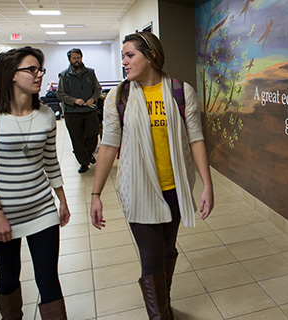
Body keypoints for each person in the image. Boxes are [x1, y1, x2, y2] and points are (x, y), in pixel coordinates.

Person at [90, 32, 214, 319]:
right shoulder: (118, 96)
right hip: (138, 190)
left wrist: (207, 185)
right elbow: (108, 145)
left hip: (175, 189)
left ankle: (163, 302)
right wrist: (95, 194)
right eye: (123, 56)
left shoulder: (180, 92)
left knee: (167, 250)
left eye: (129, 55)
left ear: (151, 56)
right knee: (152, 258)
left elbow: (195, 139)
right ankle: (161, 315)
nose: (124, 62)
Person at [0, 47, 70, 319]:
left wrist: (61, 199)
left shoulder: (46, 115)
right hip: (2, 218)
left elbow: (51, 161)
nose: (39, 75)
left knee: (48, 278)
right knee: (9, 276)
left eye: (40, 69)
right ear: (11, 76)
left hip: (42, 212)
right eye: (31, 70)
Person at [57, 48, 101, 173]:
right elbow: (60, 94)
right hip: (72, 112)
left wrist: (93, 98)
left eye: (78, 58)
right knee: (77, 138)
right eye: (74, 58)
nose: (77, 60)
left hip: (89, 110)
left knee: (93, 134)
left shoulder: (91, 73)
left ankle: (87, 154)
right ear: (70, 60)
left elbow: (98, 89)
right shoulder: (64, 75)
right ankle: (84, 162)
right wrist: (74, 101)